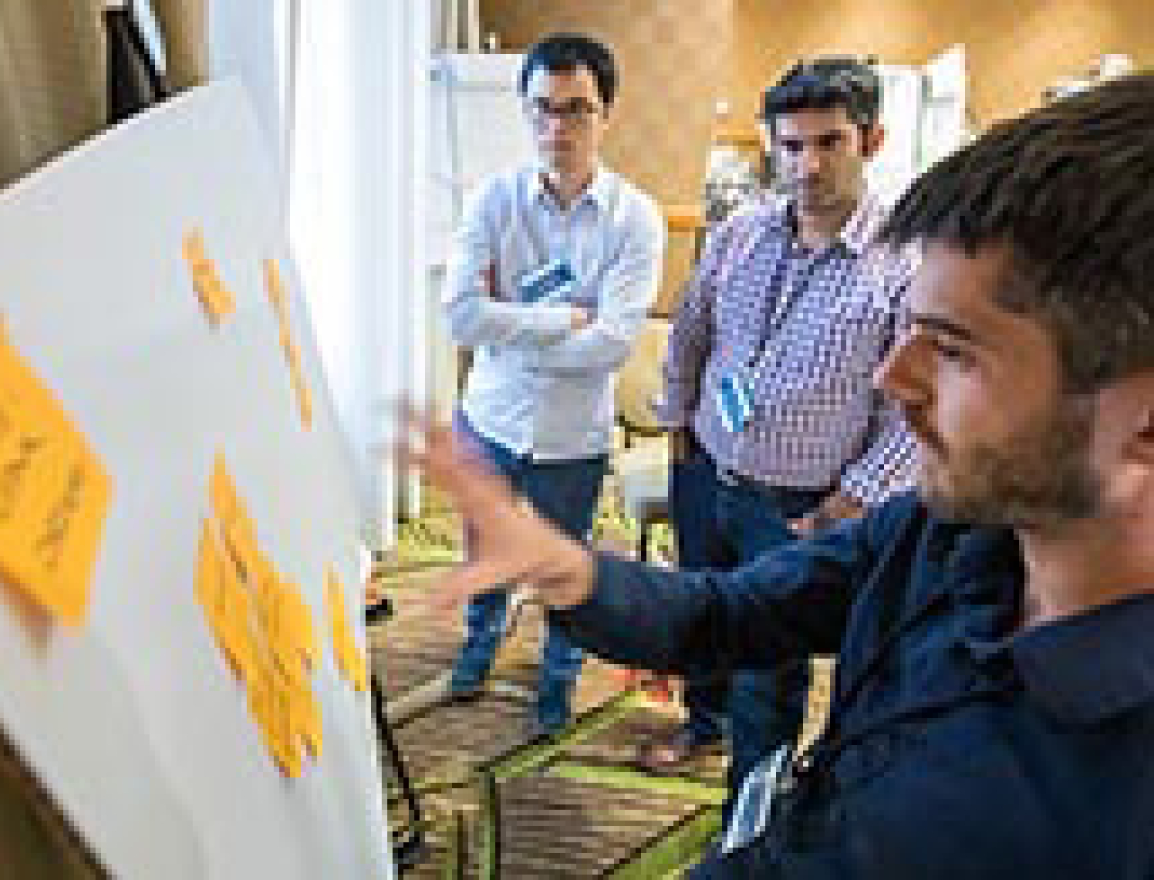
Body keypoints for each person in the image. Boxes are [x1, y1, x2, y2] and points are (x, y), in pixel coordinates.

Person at [406, 71, 1154, 878]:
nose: (892, 378)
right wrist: (568, 569)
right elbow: (728, 614)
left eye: (955, 350)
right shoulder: (944, 534)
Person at [643, 59, 917, 795]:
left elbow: (913, 415)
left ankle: (751, 809)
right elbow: (691, 332)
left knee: (770, 665)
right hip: (708, 472)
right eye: (791, 146)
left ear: (873, 139)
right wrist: (678, 431)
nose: (808, 165)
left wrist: (847, 504)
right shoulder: (741, 232)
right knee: (700, 612)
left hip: (803, 504)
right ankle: (704, 723)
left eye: (830, 143)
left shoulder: (904, 260)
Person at [441, 33, 664, 738]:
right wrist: (559, 321)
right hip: (490, 418)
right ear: (523, 109)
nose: (556, 128)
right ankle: (477, 650)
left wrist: (513, 330)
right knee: (483, 551)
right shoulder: (492, 202)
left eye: (575, 110)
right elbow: (460, 316)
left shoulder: (637, 219)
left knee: (564, 568)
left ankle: (557, 684)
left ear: (606, 114)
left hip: (573, 437)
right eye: (542, 109)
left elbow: (614, 343)